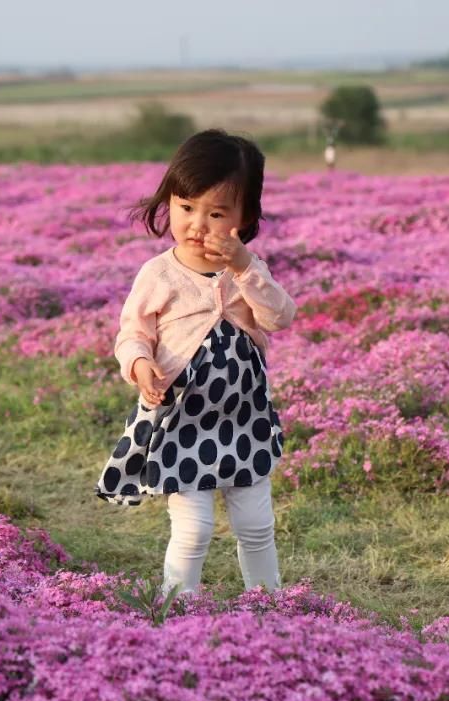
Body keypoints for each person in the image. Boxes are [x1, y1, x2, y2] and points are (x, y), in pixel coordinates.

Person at [96, 128, 297, 599]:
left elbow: (280, 317)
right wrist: (140, 365)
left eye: (217, 213)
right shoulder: (159, 273)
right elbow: (132, 333)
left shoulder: (248, 268)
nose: (196, 224)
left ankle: (269, 606)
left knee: (255, 522)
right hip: (183, 418)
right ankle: (176, 606)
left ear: (245, 217)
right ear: (170, 201)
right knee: (194, 528)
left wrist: (247, 267)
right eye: (186, 208)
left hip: (243, 418)